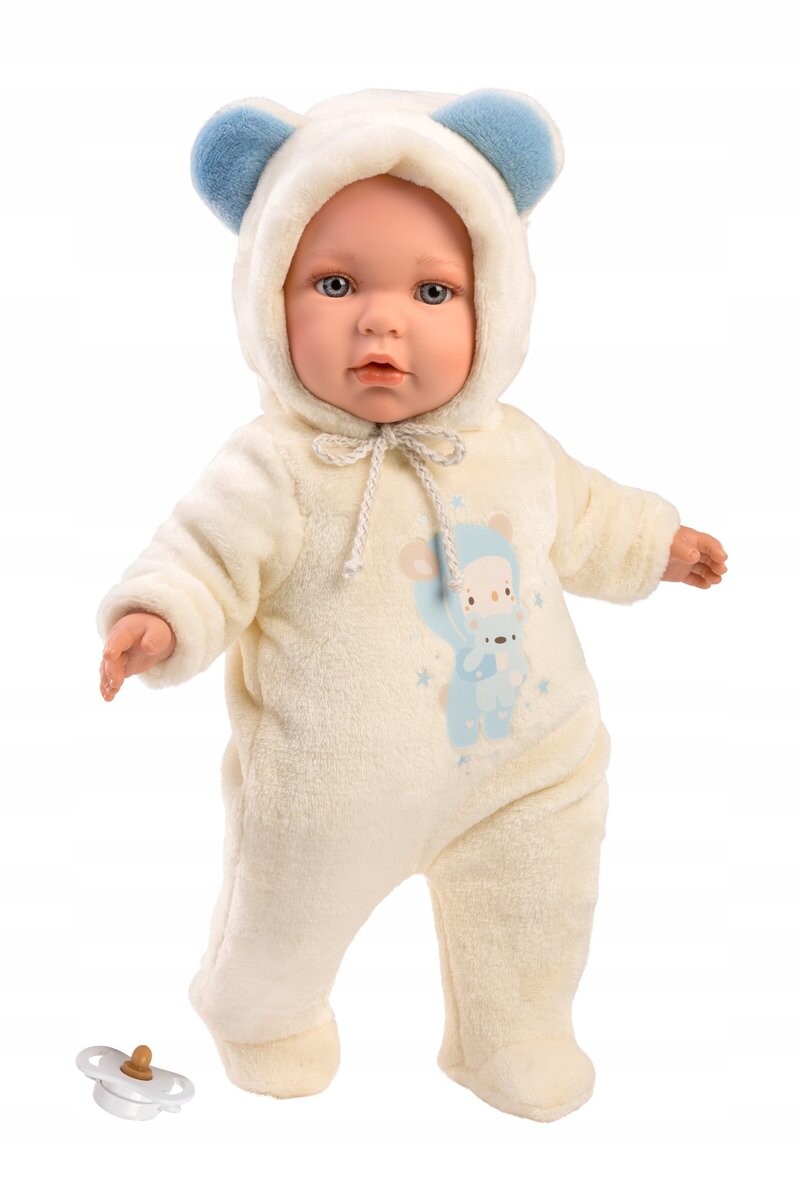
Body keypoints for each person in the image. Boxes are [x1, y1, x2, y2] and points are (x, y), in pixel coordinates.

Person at [97, 89, 727, 1122]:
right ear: (267, 297)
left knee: (539, 904)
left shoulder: (511, 447)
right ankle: (261, 1013)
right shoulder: (276, 467)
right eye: (335, 283)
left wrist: (655, 543)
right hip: (337, 784)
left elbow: (586, 515)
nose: (381, 319)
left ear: (497, 304)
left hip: (527, 763)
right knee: (282, 917)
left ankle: (512, 1030)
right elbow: (202, 555)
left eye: (434, 291)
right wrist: (159, 618)